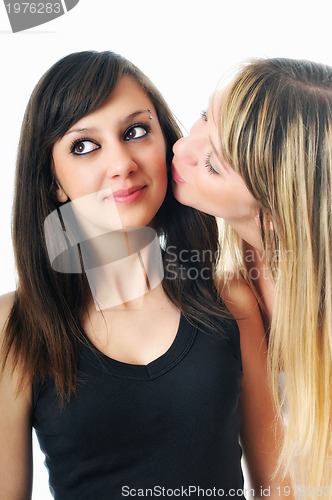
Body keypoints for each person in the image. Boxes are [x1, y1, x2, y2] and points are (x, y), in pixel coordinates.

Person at [0, 50, 287, 500]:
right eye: (84, 146)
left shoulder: (231, 298)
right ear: (53, 182)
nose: (122, 163)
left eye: (135, 132)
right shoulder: (13, 326)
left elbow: (281, 485)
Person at [171, 57, 332, 496]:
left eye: (212, 164)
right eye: (206, 115)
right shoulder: (218, 276)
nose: (182, 147)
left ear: (277, 214)